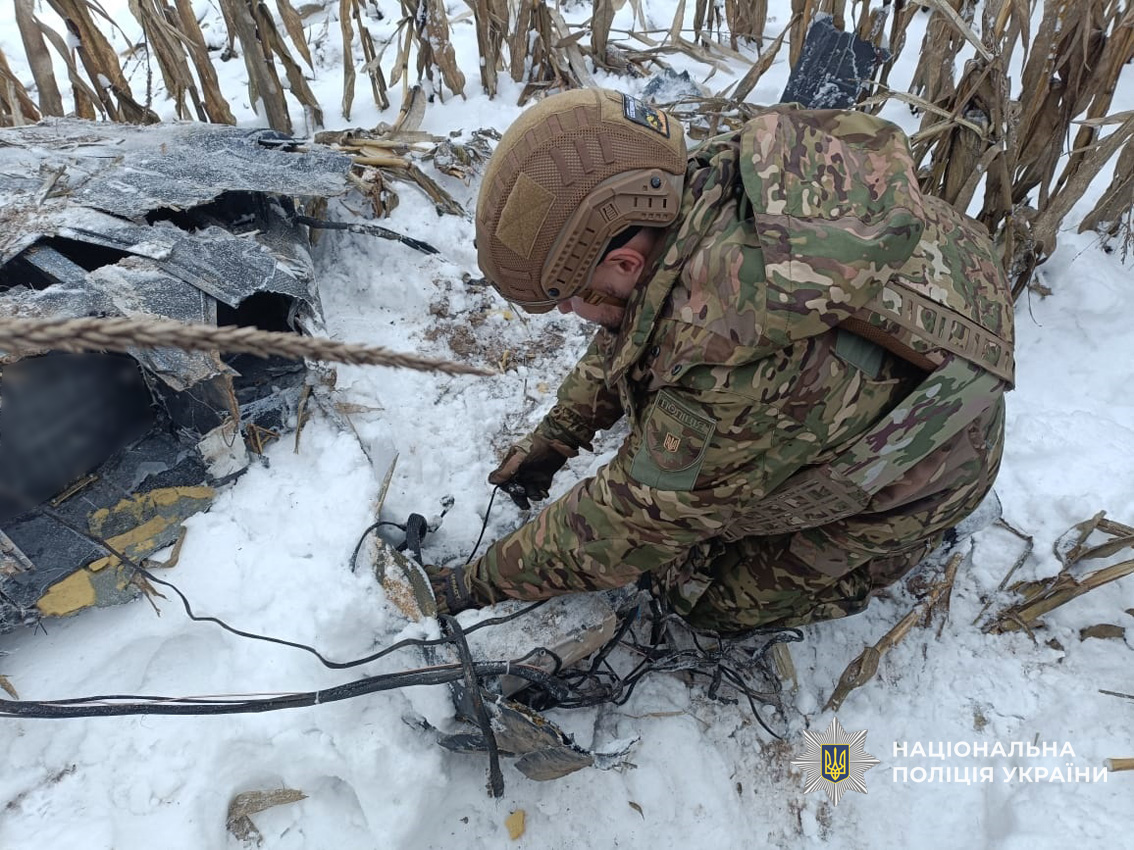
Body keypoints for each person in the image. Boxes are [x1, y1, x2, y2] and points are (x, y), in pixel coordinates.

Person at [429, 88, 1014, 633]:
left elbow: (625, 527)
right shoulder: (704, 187)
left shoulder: (731, 354)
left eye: (569, 297)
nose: (565, 312)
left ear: (626, 263)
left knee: (705, 599)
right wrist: (558, 436)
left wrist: (473, 584)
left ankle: (897, 549)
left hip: (934, 462)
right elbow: (630, 329)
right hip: (921, 335)